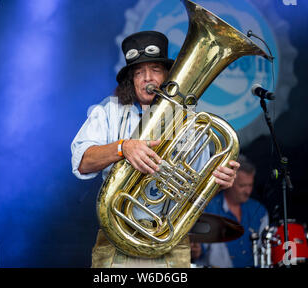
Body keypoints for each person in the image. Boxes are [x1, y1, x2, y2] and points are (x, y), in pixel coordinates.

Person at [71, 30, 240, 268]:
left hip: (169, 239)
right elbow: (82, 162)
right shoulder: (108, 111)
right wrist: (124, 147)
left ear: (169, 76)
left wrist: (219, 181)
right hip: (117, 239)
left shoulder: (190, 121)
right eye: (138, 72)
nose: (147, 78)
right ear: (131, 79)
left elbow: (200, 182)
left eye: (155, 70)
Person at [191, 154, 269, 268]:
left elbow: (265, 253)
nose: (248, 191)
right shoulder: (208, 207)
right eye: (242, 186)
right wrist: (195, 250)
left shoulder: (259, 211)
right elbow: (198, 248)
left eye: (250, 185)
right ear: (230, 181)